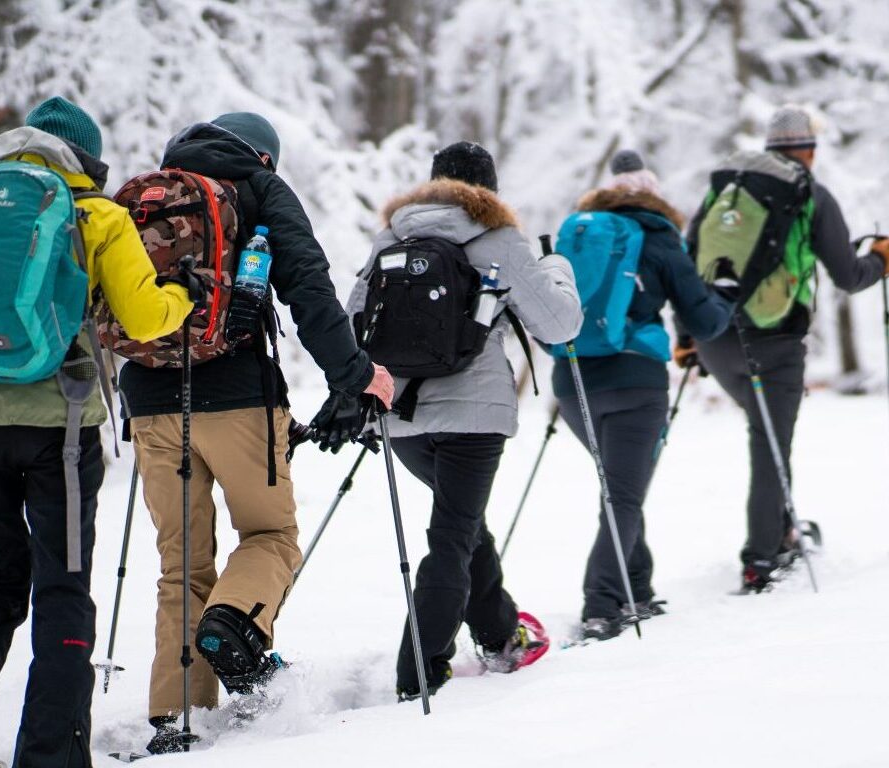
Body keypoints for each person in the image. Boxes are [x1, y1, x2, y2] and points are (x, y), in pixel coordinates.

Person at [0, 97, 197, 768]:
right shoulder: (97, 216)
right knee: (63, 585)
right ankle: (51, 754)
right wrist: (184, 298)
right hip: (59, 423)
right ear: (86, 160)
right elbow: (144, 319)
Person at [118, 113, 394, 752]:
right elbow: (308, 289)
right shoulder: (261, 189)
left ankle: (176, 717)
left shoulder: (147, 197)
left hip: (151, 400)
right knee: (270, 534)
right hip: (240, 396)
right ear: (264, 156)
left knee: (180, 562)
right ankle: (233, 625)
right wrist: (354, 378)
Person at [346, 141, 583, 699]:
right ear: (488, 190)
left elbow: (355, 318)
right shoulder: (497, 238)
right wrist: (557, 267)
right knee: (453, 535)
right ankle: (420, 672)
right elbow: (559, 325)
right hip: (474, 418)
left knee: (462, 523)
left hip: (401, 417)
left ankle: (501, 634)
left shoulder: (392, 238)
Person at [679, 106, 889, 592]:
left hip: (713, 340)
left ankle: (781, 532)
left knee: (764, 434)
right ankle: (763, 557)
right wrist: (880, 259)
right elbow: (849, 276)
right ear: (809, 150)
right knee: (770, 445)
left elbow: (687, 260)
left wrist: (686, 337)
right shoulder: (811, 193)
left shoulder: (723, 190)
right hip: (773, 343)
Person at [553, 150, 733, 641]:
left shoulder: (581, 232)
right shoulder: (659, 236)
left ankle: (636, 589)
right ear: (652, 193)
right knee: (624, 494)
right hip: (635, 381)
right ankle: (601, 605)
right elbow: (705, 320)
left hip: (572, 383)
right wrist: (727, 294)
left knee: (618, 488)